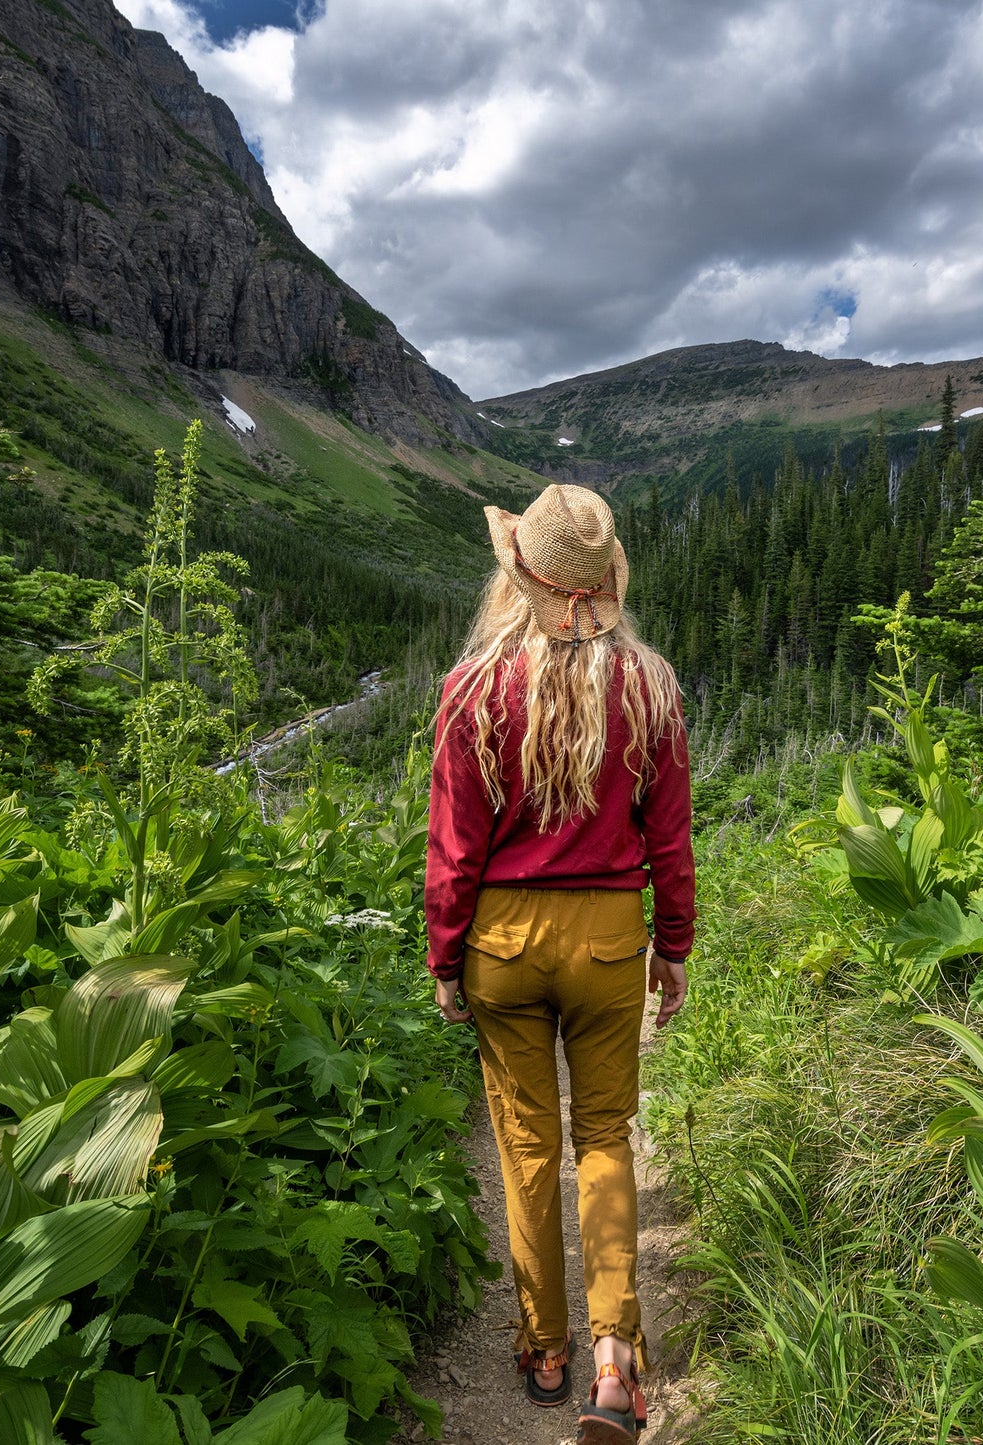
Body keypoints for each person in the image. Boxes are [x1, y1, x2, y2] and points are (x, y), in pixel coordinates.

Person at [425, 483, 695, 1442]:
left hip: (503, 939)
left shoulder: (471, 689)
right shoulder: (651, 686)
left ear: (517, 580)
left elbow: (454, 848)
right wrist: (673, 946)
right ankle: (615, 1355)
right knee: (607, 1135)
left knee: (528, 1145)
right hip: (610, 936)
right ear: (603, 582)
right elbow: (670, 838)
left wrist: (446, 956)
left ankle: (543, 1347)